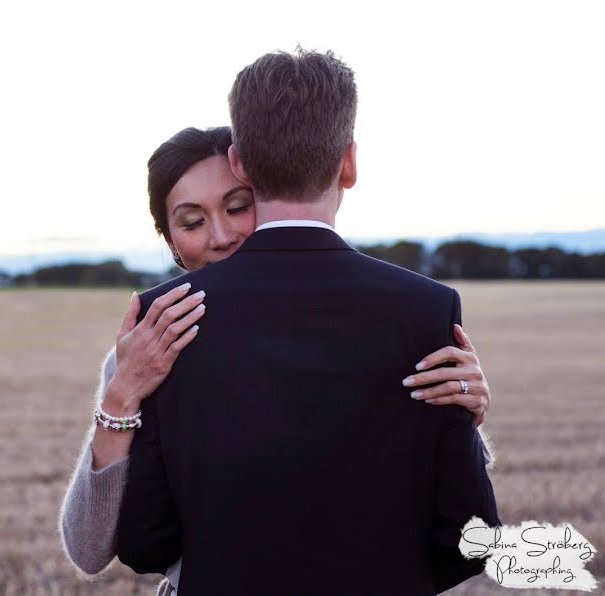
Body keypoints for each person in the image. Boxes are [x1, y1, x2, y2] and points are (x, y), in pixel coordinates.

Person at [114, 49, 501, 595]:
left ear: (241, 164)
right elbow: (470, 538)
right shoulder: (425, 308)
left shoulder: (170, 319)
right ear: (349, 164)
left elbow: (144, 544)